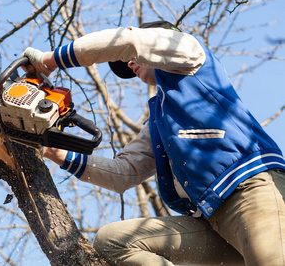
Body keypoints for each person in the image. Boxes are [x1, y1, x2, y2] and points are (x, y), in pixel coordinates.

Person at [22, 20, 285, 266]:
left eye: (131, 59)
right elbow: (124, 173)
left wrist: (49, 61)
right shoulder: (160, 122)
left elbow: (129, 41)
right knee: (113, 241)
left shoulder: (190, 52)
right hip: (212, 222)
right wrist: (52, 150)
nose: (130, 64)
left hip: (251, 193)